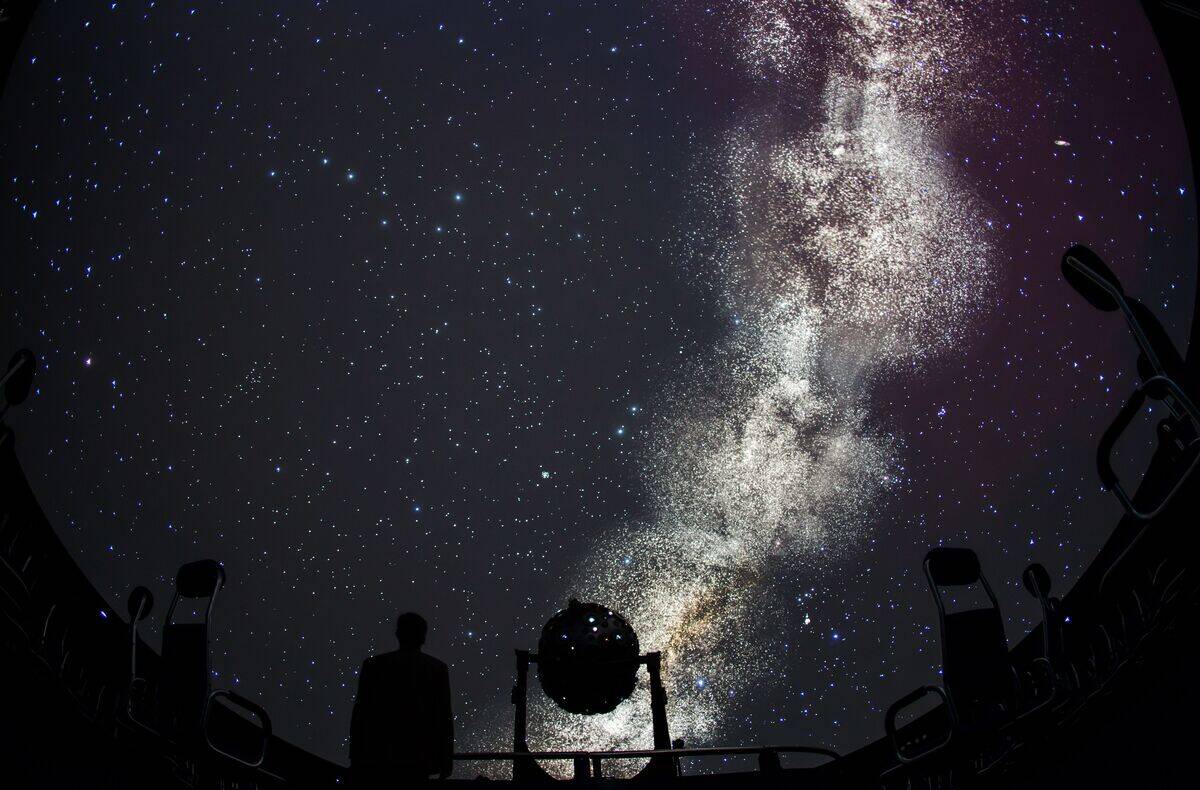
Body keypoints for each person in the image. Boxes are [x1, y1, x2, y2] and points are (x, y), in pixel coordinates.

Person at [350, 612, 454, 784]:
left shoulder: (374, 665)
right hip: (419, 758)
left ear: (398, 633)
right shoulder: (437, 669)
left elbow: (361, 714)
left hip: (378, 756)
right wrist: (446, 762)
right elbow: (444, 718)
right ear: (423, 637)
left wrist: (356, 756)